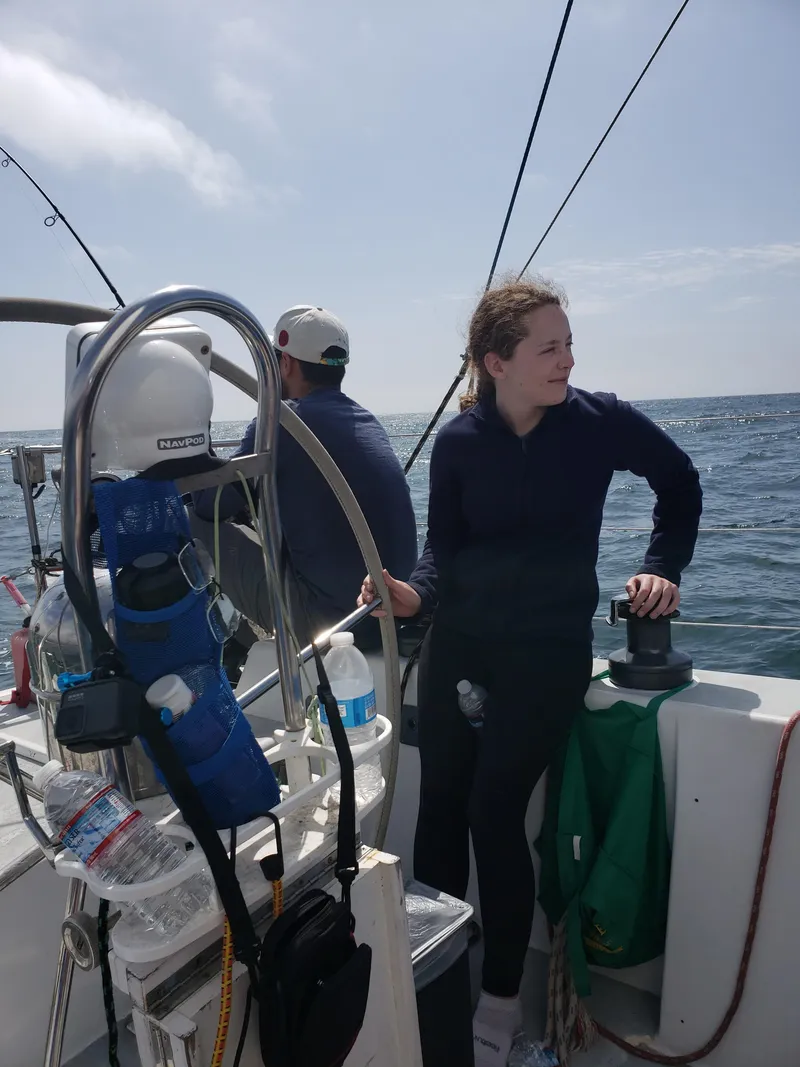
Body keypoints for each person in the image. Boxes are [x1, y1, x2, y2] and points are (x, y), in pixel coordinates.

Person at [359, 276, 702, 1065]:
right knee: (439, 807)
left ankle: (499, 1010)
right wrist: (411, 593)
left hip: (547, 654)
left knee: (490, 809)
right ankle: (439, 985)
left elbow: (679, 483)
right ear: (496, 361)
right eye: (550, 347)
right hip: (461, 645)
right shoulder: (458, 442)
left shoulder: (599, 422)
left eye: (569, 343)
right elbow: (441, 550)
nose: (568, 359)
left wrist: (661, 566)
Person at [191, 304, 417, 654]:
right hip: (390, 616)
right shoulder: (367, 420)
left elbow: (210, 505)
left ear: (287, 364)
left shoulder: (280, 423)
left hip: (332, 628)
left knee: (190, 517)